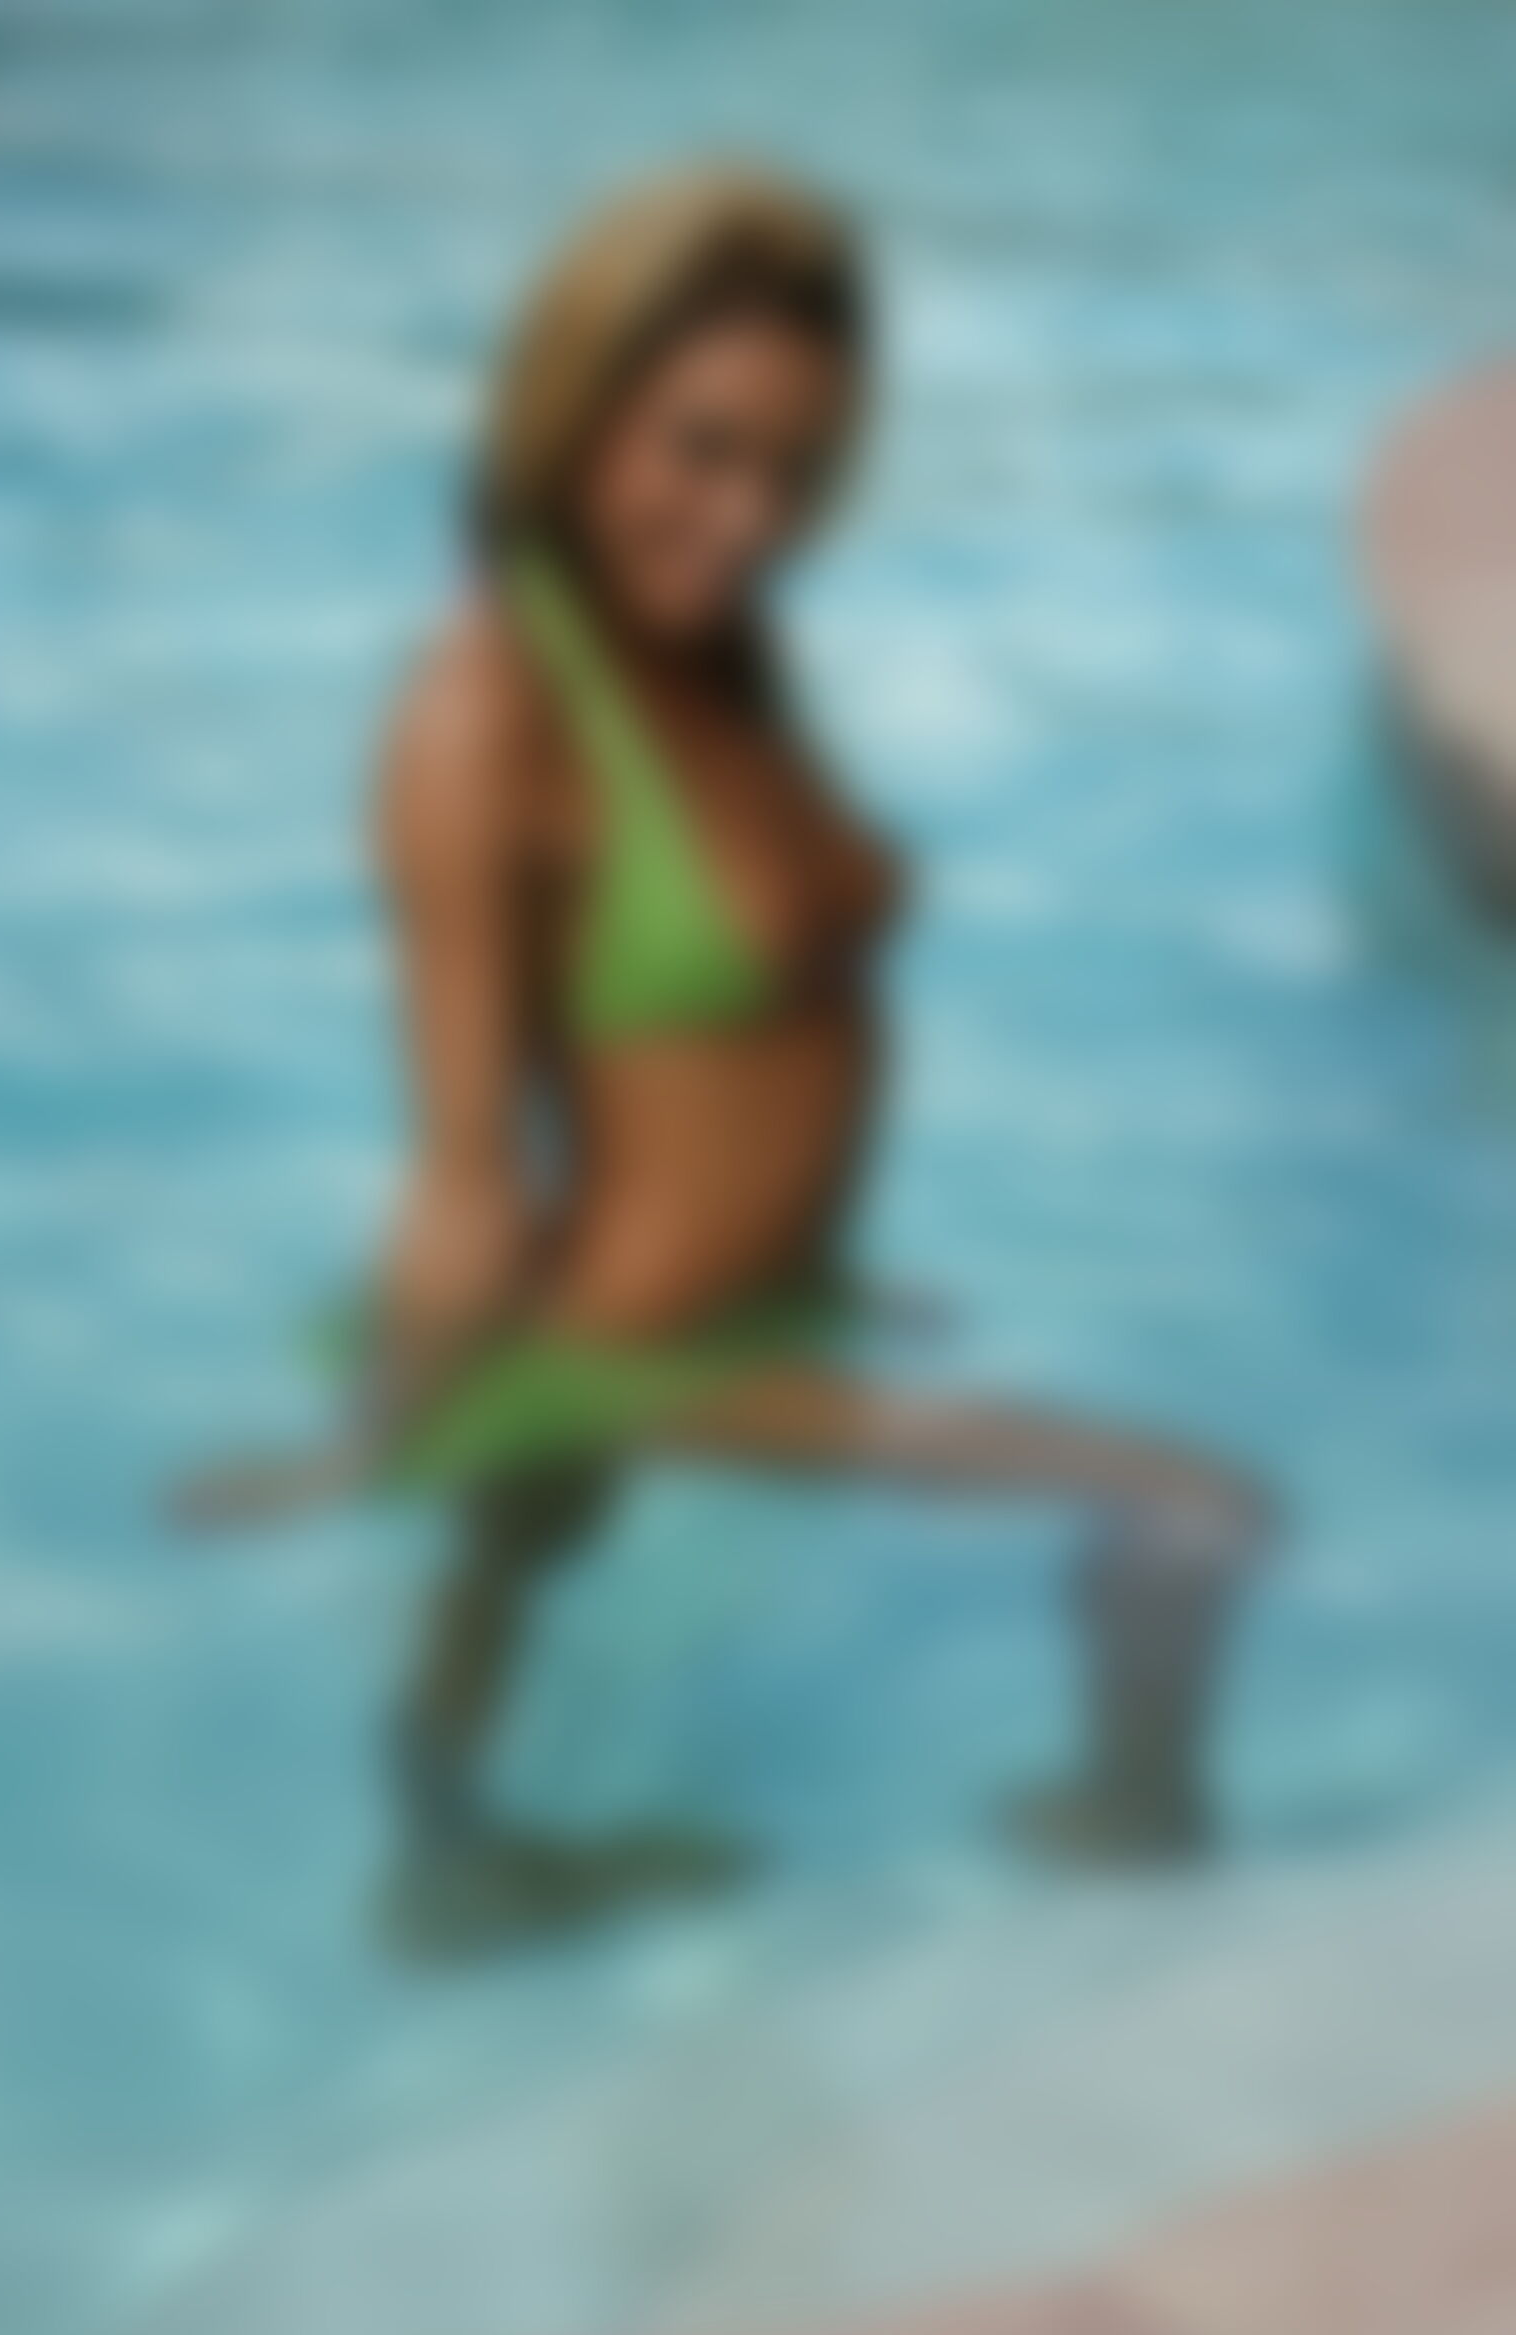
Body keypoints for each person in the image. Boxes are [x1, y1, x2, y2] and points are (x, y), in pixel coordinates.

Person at [181, 165, 1275, 1933]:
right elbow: (465, 1168)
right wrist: (364, 1440)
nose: (751, 517)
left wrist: (820, 1271)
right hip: (637, 1348)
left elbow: (748, 1043)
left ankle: (446, 1872)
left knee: (529, 1540)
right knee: (1197, 1510)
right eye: (701, 447)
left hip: (754, 1311)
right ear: (576, 401)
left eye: (799, 469)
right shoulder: (484, 718)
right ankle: (1138, 1880)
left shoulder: (718, 649)